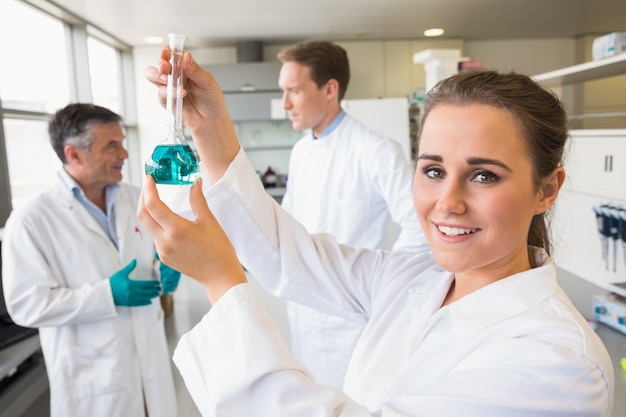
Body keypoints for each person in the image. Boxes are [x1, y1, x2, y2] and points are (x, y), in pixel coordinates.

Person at [140, 49, 615, 416]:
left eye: (484, 175)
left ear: (547, 189)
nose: (447, 203)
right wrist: (209, 129)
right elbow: (291, 255)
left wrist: (223, 282)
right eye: (432, 170)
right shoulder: (413, 278)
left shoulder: (558, 362)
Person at [2, 103, 180, 417]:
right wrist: (105, 295)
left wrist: (165, 266)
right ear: (73, 154)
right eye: (112, 146)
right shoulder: (32, 220)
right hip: (93, 383)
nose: (124, 154)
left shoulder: (136, 196)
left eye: (123, 143)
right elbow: (25, 305)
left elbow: (152, 255)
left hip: (150, 366)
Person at [276, 39, 430, 387]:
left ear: (330, 89)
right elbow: (288, 222)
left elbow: (420, 226)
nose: (286, 103)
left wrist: (379, 288)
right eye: (283, 91)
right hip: (304, 313)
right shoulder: (301, 152)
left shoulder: (375, 151)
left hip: (350, 323)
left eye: (295, 91)